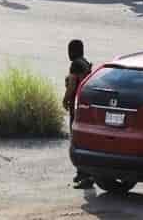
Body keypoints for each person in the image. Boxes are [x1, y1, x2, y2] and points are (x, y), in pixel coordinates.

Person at [63, 39, 94, 189]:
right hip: (84, 105)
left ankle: (84, 175)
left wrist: (65, 99)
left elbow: (73, 85)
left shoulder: (75, 64)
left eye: (70, 50)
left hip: (77, 107)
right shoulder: (85, 63)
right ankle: (83, 173)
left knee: (76, 140)